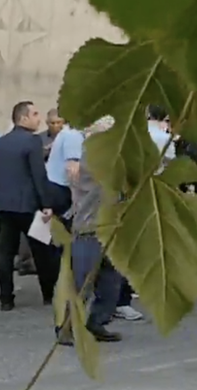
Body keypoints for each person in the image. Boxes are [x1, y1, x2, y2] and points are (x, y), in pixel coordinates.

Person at [58, 117, 123, 346]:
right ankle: (65, 327)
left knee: (111, 282)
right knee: (82, 283)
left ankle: (97, 321)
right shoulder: (94, 159)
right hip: (89, 228)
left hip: (107, 228)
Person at [0, 101, 60, 310]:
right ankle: (48, 294)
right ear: (23, 118)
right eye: (35, 114)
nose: (38, 118)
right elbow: (38, 175)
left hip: (5, 205)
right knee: (42, 251)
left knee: (5, 252)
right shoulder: (32, 142)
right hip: (29, 205)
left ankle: (6, 299)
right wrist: (46, 203)